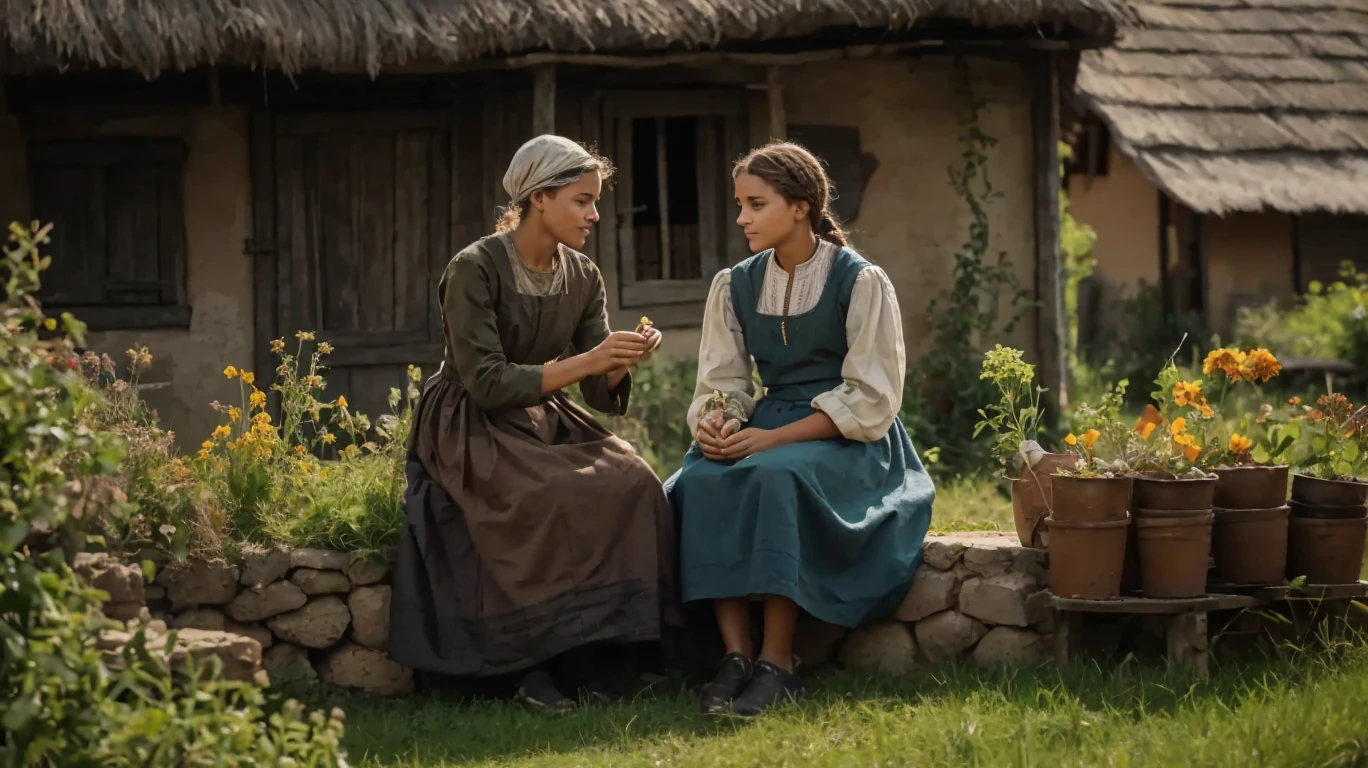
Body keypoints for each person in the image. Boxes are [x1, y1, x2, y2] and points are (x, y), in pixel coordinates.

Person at [389, 134, 678, 712]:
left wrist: (620, 361)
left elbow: (597, 390)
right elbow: (488, 382)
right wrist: (591, 360)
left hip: (544, 414)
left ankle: (596, 658)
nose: (595, 214)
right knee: (547, 492)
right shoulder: (473, 268)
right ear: (539, 199)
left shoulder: (583, 274)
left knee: (635, 482)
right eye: (582, 200)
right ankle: (534, 667)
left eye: (595, 201)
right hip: (471, 420)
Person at [664, 141, 935, 717]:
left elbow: (871, 395)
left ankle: (778, 661)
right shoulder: (734, 284)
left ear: (801, 207)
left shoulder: (860, 281)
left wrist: (773, 439)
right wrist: (719, 421)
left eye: (756, 204)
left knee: (772, 476)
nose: (742, 219)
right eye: (740, 205)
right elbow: (723, 379)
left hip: (845, 438)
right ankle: (735, 656)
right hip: (767, 423)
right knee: (700, 481)